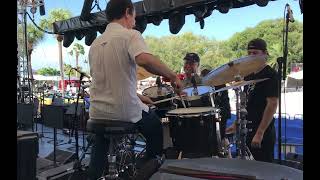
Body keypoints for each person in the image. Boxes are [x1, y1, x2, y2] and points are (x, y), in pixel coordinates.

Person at [87, 0, 183, 179]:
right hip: (122, 111)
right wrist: (173, 76)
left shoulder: (95, 44)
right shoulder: (130, 35)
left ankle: (94, 172)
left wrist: (138, 96)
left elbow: (108, 82)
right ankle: (148, 168)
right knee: (154, 124)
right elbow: (144, 60)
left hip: (96, 112)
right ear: (127, 12)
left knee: (101, 137)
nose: (135, 21)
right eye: (134, 16)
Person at [226, 38, 279, 163]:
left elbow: (272, 104)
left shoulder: (270, 74)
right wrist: (236, 124)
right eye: (249, 53)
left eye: (255, 53)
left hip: (263, 131)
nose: (251, 56)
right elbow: (246, 102)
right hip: (247, 128)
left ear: (265, 53)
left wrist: (260, 133)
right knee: (248, 167)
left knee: (264, 169)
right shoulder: (249, 74)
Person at [181, 52, 231, 154]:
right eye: (186, 63)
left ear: (197, 65)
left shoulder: (203, 81)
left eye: (191, 63)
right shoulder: (182, 82)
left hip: (204, 119)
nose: (187, 66)